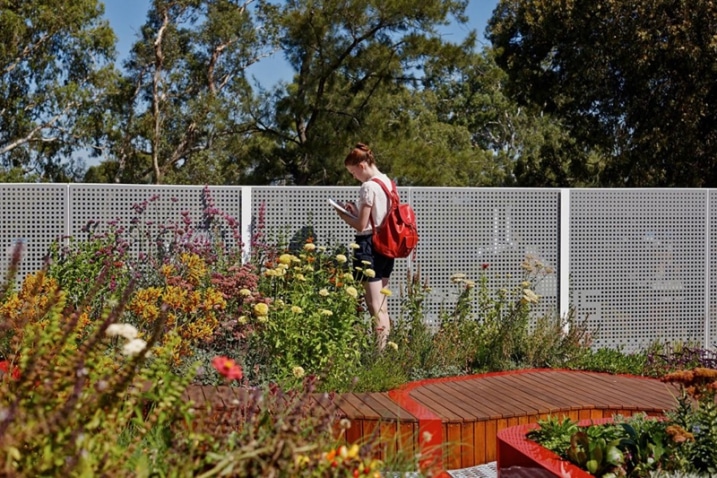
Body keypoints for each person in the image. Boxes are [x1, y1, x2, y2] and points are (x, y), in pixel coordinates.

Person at [335, 143, 393, 350]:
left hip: (369, 246)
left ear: (362, 165)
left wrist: (343, 214)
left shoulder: (368, 186)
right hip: (386, 246)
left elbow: (362, 225)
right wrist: (356, 210)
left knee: (374, 304)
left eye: (352, 172)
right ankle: (384, 351)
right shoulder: (387, 182)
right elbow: (377, 217)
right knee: (382, 304)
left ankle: (378, 355)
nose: (353, 177)